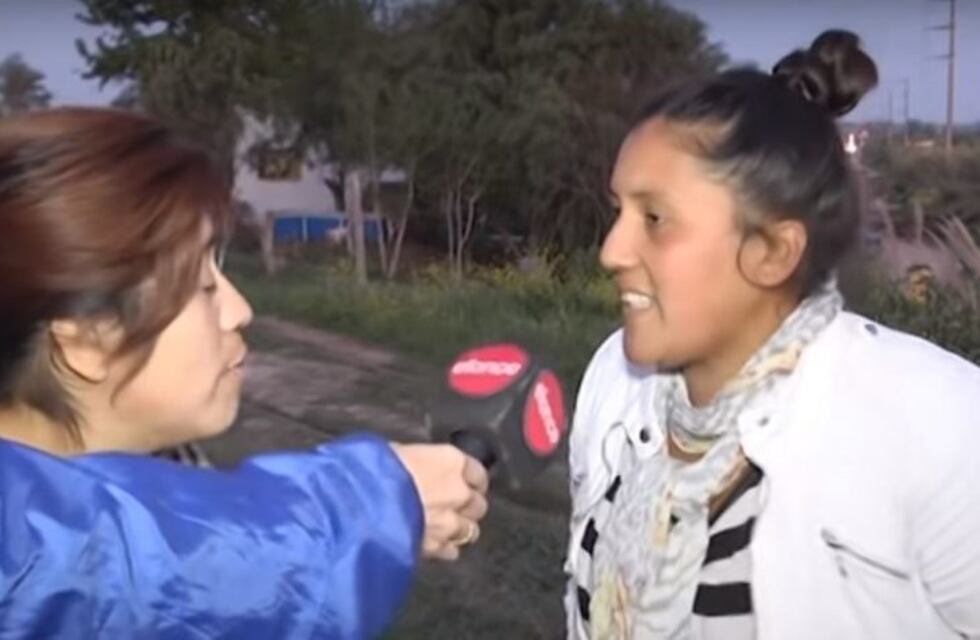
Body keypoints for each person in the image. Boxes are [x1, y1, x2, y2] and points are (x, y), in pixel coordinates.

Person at [0, 107, 488, 638]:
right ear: (87, 337)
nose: (239, 309)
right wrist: (374, 504)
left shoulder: (181, 473)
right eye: (203, 285)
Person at [564, 30, 980, 639]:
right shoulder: (613, 380)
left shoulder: (945, 426)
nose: (611, 250)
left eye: (654, 218)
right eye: (617, 212)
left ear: (771, 252)